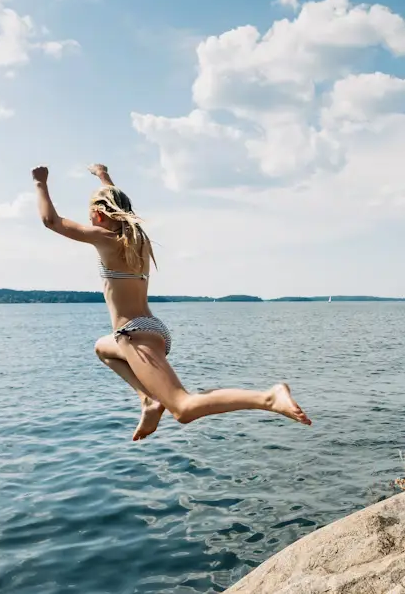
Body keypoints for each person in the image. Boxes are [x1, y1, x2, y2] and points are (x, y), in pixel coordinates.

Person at [32, 163, 311, 441]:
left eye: (91, 215)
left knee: (183, 408)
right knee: (102, 348)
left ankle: (267, 398)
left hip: (134, 335)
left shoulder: (106, 238)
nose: (89, 220)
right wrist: (103, 176)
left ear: (100, 215)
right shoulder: (137, 239)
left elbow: (51, 221)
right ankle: (149, 401)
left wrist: (40, 183)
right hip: (151, 329)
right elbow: (117, 202)